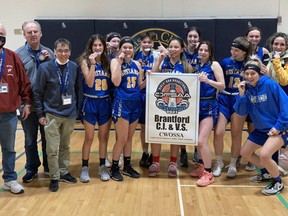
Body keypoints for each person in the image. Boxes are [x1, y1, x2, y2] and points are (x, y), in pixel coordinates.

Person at [235, 57, 288, 195]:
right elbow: (241, 112)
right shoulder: (248, 89)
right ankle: (268, 172)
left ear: (259, 73)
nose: (249, 76)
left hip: (278, 128)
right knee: (245, 153)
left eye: (253, 73)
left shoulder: (270, 84)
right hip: (261, 129)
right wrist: (241, 95)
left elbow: (286, 106)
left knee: (264, 154)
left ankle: (277, 182)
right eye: (246, 74)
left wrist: (279, 126)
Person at [34, 38, 79, 192]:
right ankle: (54, 176)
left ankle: (64, 172)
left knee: (65, 146)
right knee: (52, 148)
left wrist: (75, 110)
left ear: (70, 52)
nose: (63, 53)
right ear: (54, 51)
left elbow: (76, 89)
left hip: (69, 114)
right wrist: (40, 114)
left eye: (66, 50)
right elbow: (38, 92)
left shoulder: (73, 67)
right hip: (52, 114)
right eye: (60, 50)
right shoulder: (45, 68)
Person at [15, 21, 54, 183]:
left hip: (46, 104)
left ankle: (48, 166)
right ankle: (31, 167)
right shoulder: (17, 55)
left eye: (35, 31)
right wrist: (23, 104)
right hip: (28, 104)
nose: (33, 34)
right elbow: (16, 82)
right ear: (24, 34)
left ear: (41, 33)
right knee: (30, 139)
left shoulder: (50, 53)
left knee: (48, 138)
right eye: (29, 32)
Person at [148, 37, 192, 177]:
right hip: (160, 104)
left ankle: (173, 163)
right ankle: (155, 162)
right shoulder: (162, 62)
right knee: (157, 131)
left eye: (176, 47)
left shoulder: (186, 66)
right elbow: (152, 75)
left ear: (182, 49)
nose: (173, 49)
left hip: (177, 106)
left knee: (175, 133)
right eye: (171, 46)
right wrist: (159, 60)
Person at [212, 37, 253, 178]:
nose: (233, 52)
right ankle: (218, 162)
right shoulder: (225, 62)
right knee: (218, 132)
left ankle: (233, 163)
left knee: (236, 134)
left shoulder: (249, 65)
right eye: (232, 49)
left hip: (239, 99)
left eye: (236, 50)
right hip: (224, 98)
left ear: (244, 52)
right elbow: (220, 82)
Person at [0, 23, 32, 194]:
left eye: (2, 34)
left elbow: (24, 83)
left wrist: (27, 103)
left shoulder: (12, 57)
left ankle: (10, 180)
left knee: (9, 149)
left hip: (8, 114)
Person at [77, 34, 112, 182]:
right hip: (90, 102)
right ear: (90, 46)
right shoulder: (84, 61)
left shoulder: (108, 62)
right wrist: (92, 64)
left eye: (100, 45)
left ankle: (102, 166)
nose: (97, 48)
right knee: (89, 137)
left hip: (105, 102)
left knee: (103, 137)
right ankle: (84, 168)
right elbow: (90, 83)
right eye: (95, 45)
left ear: (104, 46)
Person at [190, 41, 225, 186]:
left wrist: (207, 80)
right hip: (195, 104)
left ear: (210, 52)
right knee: (196, 141)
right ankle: (202, 166)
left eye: (205, 50)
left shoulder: (214, 65)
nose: (202, 52)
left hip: (209, 104)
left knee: (201, 141)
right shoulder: (195, 65)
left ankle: (208, 173)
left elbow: (222, 85)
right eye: (200, 50)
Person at [110, 36, 145, 181]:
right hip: (121, 102)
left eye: (130, 47)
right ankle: (114, 167)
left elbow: (140, 85)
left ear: (133, 49)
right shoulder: (115, 61)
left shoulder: (137, 64)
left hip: (135, 102)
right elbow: (116, 82)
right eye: (125, 47)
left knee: (130, 137)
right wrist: (119, 62)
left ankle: (127, 166)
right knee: (122, 138)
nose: (127, 50)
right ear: (120, 48)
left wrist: (148, 78)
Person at [180, 26, 202, 166]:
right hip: (183, 92)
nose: (193, 39)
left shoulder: (202, 52)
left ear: (199, 39)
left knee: (196, 124)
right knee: (182, 123)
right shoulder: (182, 53)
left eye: (195, 37)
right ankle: (182, 152)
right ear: (187, 38)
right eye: (190, 36)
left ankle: (195, 149)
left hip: (198, 92)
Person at [134, 32, 155, 168]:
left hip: (154, 94)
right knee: (143, 127)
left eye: (149, 42)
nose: (147, 44)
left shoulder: (158, 56)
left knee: (153, 127)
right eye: (144, 42)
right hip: (141, 93)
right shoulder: (136, 56)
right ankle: (145, 152)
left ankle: (154, 153)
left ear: (153, 44)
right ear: (140, 43)